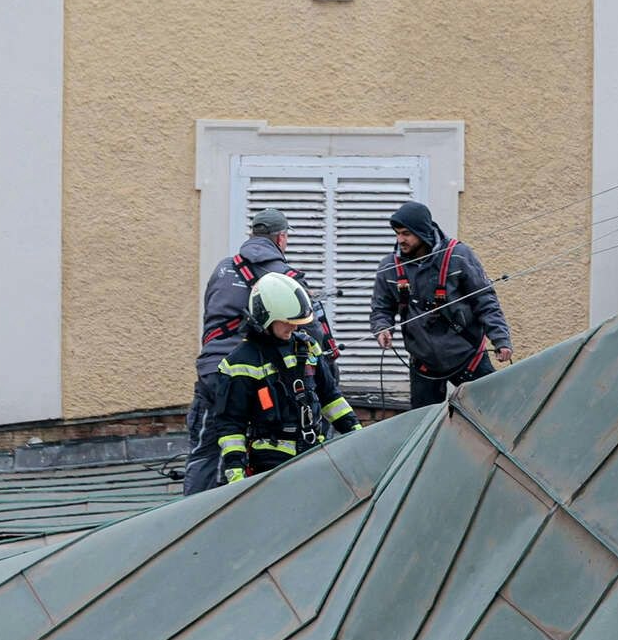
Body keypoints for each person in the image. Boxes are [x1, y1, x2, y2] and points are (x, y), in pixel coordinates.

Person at [185, 208, 337, 494]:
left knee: (207, 451)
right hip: (258, 376)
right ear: (281, 238)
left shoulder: (222, 268)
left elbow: (211, 316)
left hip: (211, 370)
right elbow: (312, 331)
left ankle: (191, 517)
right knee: (267, 450)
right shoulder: (286, 278)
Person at [206, 272, 362, 486]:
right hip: (269, 468)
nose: (295, 327)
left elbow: (330, 397)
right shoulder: (239, 364)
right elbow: (231, 425)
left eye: (298, 322)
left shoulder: (307, 347)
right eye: (288, 322)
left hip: (314, 456)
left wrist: (357, 433)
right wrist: (236, 474)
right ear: (265, 317)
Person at [369, 200, 513, 408]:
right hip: (424, 365)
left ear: (422, 231)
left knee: (494, 411)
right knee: (423, 426)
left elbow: (485, 301)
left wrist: (501, 340)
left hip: (469, 358)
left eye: (406, 234)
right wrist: (382, 328)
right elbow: (381, 308)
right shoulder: (389, 267)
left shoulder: (458, 256)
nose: (400, 240)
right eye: (397, 233)